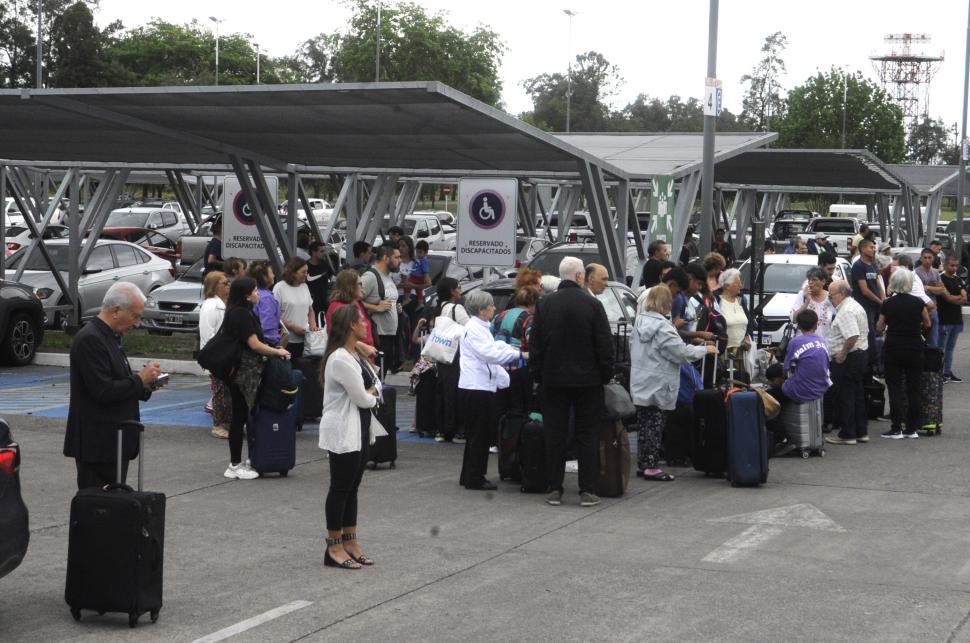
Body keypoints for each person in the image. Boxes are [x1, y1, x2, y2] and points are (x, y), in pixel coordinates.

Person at [531, 256, 615, 508]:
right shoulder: (592, 305)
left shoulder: (545, 305)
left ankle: (554, 488)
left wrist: (539, 376)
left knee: (554, 435)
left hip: (553, 381)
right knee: (586, 435)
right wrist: (604, 374)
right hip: (587, 382)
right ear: (580, 277)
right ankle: (587, 490)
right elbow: (604, 345)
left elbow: (536, 345)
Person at [64, 282, 162, 490]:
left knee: (115, 511)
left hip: (114, 442)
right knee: (98, 511)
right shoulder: (90, 339)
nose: (137, 324)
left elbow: (119, 384)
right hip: (98, 445)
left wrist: (147, 384)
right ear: (116, 311)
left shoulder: (110, 337)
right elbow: (103, 391)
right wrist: (139, 380)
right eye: (135, 316)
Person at [318, 304, 385, 570]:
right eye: (362, 321)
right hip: (343, 428)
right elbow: (362, 397)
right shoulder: (340, 359)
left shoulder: (352, 354)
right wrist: (373, 394)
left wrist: (372, 390)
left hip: (359, 425)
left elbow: (376, 383)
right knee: (340, 487)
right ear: (350, 327)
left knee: (353, 487)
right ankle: (333, 546)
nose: (366, 324)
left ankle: (351, 541)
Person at [630, 285, 715, 482]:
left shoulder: (640, 321)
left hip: (641, 380)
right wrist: (705, 350)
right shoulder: (663, 327)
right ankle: (651, 466)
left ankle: (644, 464)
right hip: (660, 382)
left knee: (644, 425)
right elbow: (680, 353)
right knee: (656, 425)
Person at [221, 277, 291, 480]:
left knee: (246, 414)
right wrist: (277, 352)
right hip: (243, 373)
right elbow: (255, 344)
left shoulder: (239, 312)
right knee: (240, 416)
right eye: (254, 291)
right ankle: (234, 464)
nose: (257, 294)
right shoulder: (241, 314)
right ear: (245, 295)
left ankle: (248, 457)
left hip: (244, 371)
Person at [457, 290, 523, 491]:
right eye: (491, 305)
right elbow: (490, 353)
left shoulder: (479, 328)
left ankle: (468, 474)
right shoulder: (475, 329)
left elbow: (493, 349)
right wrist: (518, 354)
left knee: (475, 434)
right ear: (481, 310)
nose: (495, 308)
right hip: (477, 387)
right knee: (480, 434)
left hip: (476, 385)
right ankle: (475, 477)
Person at [877, 269, 930, 440]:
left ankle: (896, 427)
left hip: (893, 347)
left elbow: (879, 326)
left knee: (895, 388)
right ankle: (911, 428)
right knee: (913, 389)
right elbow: (927, 322)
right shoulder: (918, 302)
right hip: (914, 347)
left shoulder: (887, 303)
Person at [824, 281, 870, 445]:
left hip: (849, 357)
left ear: (842, 294)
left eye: (831, 295)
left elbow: (852, 335)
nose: (830, 298)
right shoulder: (854, 305)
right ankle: (860, 431)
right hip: (859, 355)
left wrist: (842, 354)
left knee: (845, 396)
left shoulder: (846, 311)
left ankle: (848, 433)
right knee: (857, 395)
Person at [432, 277, 470, 443]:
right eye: (458, 287)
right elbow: (469, 330)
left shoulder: (438, 308)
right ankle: (458, 431)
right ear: (452, 291)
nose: (460, 290)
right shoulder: (457, 308)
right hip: (456, 354)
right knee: (456, 391)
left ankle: (441, 430)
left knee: (443, 391)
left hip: (441, 353)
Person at [492, 286, 539, 414]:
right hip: (520, 369)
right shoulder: (529, 318)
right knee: (520, 408)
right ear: (532, 303)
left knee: (501, 407)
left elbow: (489, 338)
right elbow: (532, 341)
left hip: (499, 367)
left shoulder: (499, 316)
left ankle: (501, 432)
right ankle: (516, 432)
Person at [199, 271, 231, 439]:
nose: (228, 286)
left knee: (225, 390)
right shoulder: (211, 306)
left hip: (223, 355)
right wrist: (215, 356)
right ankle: (218, 424)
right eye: (224, 283)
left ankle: (225, 422)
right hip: (215, 356)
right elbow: (207, 334)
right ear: (214, 287)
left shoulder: (223, 305)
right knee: (219, 391)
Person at [360, 245, 401, 373]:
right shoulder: (371, 276)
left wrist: (396, 306)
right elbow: (353, 300)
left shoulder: (387, 276)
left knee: (384, 372)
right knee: (376, 373)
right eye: (397, 257)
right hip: (378, 336)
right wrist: (376, 308)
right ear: (385, 258)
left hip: (389, 335)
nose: (400, 260)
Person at [273, 257, 318, 360]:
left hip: (306, 340)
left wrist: (313, 325)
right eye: (303, 272)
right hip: (287, 340)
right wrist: (291, 326)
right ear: (293, 272)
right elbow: (274, 314)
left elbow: (310, 310)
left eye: (307, 271)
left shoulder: (304, 287)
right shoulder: (279, 288)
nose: (306, 274)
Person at [850, 239, 885, 364]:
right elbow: (864, 290)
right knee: (868, 335)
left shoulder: (872, 265)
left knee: (878, 333)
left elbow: (877, 283)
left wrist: (883, 299)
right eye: (871, 247)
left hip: (876, 306)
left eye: (874, 247)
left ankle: (876, 363)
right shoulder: (858, 266)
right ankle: (869, 364)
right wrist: (880, 302)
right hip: (865, 307)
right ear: (863, 249)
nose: (874, 249)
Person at [939, 254, 967, 382]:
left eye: (956, 266)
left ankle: (947, 372)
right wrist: (957, 298)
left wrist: (956, 298)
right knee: (941, 348)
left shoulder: (958, 280)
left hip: (957, 319)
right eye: (951, 265)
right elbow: (947, 298)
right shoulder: (940, 279)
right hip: (945, 319)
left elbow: (964, 298)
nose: (954, 268)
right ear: (945, 265)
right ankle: (939, 372)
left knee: (950, 348)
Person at [717, 268, 752, 370]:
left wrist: (746, 337)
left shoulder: (740, 300)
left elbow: (748, 322)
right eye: (738, 283)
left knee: (741, 381)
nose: (741, 285)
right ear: (727, 285)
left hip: (741, 351)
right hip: (723, 352)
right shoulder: (717, 301)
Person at [790, 267, 837, 340]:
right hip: (804, 343)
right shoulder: (802, 295)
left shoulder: (830, 298)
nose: (810, 282)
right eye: (809, 280)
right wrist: (807, 302)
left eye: (814, 280)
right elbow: (794, 319)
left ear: (823, 282)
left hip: (824, 344)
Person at [674, 263, 716, 344]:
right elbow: (673, 331)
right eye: (699, 284)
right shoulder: (679, 298)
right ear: (689, 278)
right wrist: (699, 334)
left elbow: (686, 334)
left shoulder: (686, 300)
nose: (700, 288)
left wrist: (704, 342)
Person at [247, 260, 284, 348]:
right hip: (267, 345)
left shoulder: (252, 293)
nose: (274, 275)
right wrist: (276, 345)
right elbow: (268, 327)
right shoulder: (266, 298)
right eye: (271, 273)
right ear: (264, 276)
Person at [915, 248, 944, 348]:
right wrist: (934, 288)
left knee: (933, 343)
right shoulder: (916, 273)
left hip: (933, 312)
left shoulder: (936, 272)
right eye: (925, 257)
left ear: (933, 259)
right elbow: (917, 292)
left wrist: (928, 287)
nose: (927, 260)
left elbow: (941, 290)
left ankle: (931, 363)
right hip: (920, 312)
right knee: (919, 343)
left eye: (929, 258)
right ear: (921, 259)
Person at [306, 241, 335, 318]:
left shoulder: (325, 264)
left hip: (324, 303)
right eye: (321, 251)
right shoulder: (305, 267)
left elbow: (332, 278)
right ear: (314, 252)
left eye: (324, 251)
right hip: (310, 305)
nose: (324, 253)